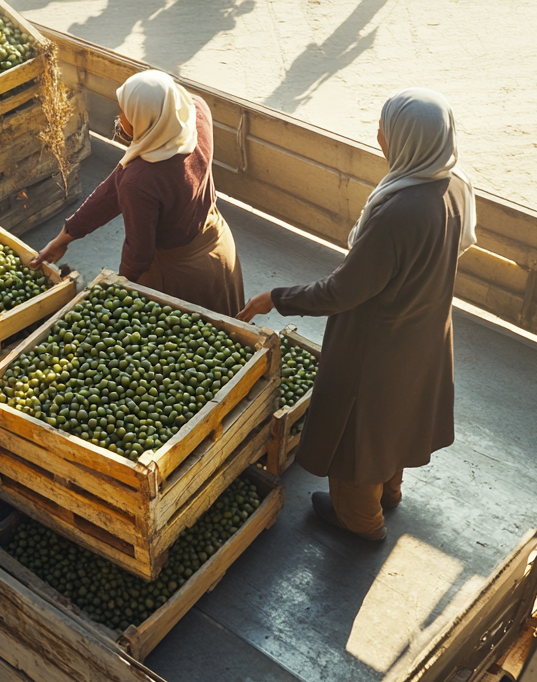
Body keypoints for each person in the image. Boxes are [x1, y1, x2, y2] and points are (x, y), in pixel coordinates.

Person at [237, 88, 477, 541]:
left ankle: (361, 518)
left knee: (359, 432)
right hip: (425, 328)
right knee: (398, 418)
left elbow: (341, 292)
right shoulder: (453, 185)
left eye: (386, 129)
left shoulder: (398, 210)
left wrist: (277, 297)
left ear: (406, 139)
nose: (379, 135)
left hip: (378, 342)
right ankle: (390, 489)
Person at [29, 70, 245, 316]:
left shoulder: (142, 180)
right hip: (219, 247)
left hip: (181, 276)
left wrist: (118, 289)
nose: (121, 117)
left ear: (147, 118)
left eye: (126, 112)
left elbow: (139, 254)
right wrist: (64, 237)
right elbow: (116, 186)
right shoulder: (195, 112)